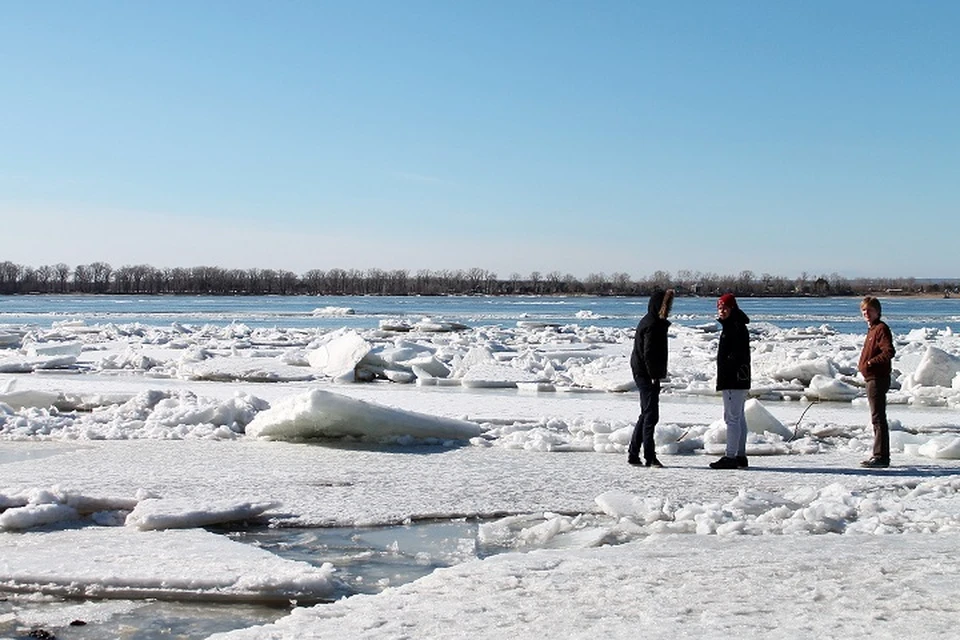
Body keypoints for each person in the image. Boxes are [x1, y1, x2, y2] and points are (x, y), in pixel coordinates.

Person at [628, 288, 674, 468]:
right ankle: (649, 456)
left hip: (643, 372)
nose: (669, 310)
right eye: (667, 305)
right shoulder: (653, 324)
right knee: (651, 415)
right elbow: (648, 353)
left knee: (646, 413)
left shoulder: (652, 322)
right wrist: (654, 376)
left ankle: (633, 453)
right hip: (645, 374)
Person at [710, 293, 751, 470]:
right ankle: (740, 455)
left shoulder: (735, 327)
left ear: (732, 308)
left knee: (732, 419)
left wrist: (728, 370)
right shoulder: (734, 325)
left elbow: (736, 355)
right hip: (737, 379)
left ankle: (731, 456)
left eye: (725, 308)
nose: (722, 311)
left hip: (733, 380)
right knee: (739, 418)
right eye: (719, 308)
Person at [858, 296, 895, 468]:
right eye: (864, 310)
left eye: (869, 310)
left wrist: (871, 363)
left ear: (877, 311)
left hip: (877, 378)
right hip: (871, 378)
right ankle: (879, 455)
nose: (866, 313)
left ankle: (881, 457)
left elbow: (888, 351)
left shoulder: (881, 329)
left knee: (878, 418)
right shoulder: (872, 329)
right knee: (876, 417)